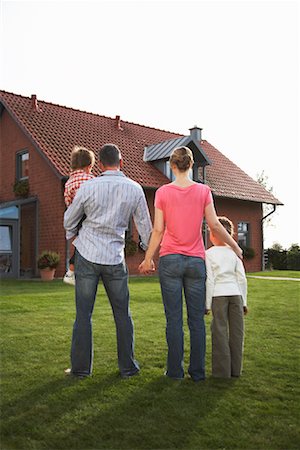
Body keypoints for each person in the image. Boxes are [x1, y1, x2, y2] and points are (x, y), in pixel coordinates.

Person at [139, 146, 243, 382]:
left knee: (173, 319)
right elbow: (215, 225)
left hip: (170, 260)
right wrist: (235, 247)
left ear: (173, 166)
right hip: (196, 261)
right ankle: (197, 373)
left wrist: (147, 259)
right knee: (196, 320)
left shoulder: (163, 192)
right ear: (192, 164)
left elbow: (158, 230)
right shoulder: (204, 191)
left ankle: (174, 372)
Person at [64, 143, 152, 378]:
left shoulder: (88, 187)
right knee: (123, 314)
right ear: (121, 163)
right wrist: (147, 254)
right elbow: (145, 225)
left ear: (100, 165)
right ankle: (128, 367)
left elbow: (69, 220)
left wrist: (74, 232)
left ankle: (81, 370)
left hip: (87, 254)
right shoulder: (134, 188)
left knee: (83, 314)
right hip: (115, 257)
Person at [205, 216, 248, 378]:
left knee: (220, 332)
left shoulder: (208, 254)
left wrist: (207, 304)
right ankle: (236, 370)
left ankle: (222, 372)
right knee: (237, 332)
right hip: (236, 295)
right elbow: (241, 279)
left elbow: (210, 280)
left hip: (218, 296)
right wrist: (244, 302)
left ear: (215, 234)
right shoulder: (235, 253)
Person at [63, 146, 95, 286]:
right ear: (89, 166)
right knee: (85, 245)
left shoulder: (69, 182)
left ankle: (72, 272)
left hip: (75, 217)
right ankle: (71, 271)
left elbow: (68, 201)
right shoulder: (92, 179)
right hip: (88, 215)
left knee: (81, 245)